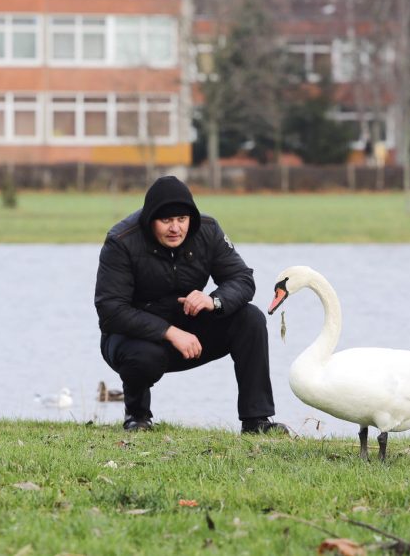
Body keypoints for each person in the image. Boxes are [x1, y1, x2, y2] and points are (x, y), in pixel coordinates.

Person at [94, 176, 288, 434]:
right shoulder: (121, 240)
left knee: (250, 319)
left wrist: (214, 300)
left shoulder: (207, 230)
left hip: (189, 330)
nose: (175, 228)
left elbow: (242, 279)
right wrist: (170, 332)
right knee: (145, 357)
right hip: (132, 339)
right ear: (150, 219)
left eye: (182, 219)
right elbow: (111, 311)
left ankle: (256, 421)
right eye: (166, 221)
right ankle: (137, 417)